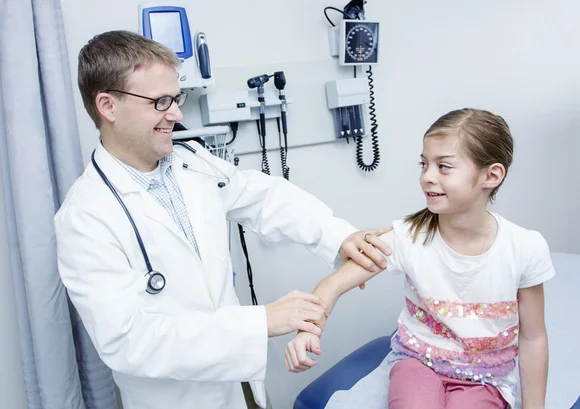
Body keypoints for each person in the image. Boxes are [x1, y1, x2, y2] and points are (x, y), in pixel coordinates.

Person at [54, 30, 391, 409]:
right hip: (179, 399)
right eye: (160, 101)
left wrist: (340, 237)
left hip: (239, 383)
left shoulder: (191, 163)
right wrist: (261, 322)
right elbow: (129, 340)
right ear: (108, 106)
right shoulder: (85, 218)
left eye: (176, 98)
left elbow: (265, 197)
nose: (177, 114)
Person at [286, 108, 554, 409]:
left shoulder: (524, 249)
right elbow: (332, 285)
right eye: (424, 164)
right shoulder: (408, 237)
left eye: (444, 167)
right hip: (417, 364)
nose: (427, 176)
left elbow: (533, 338)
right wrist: (307, 330)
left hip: (484, 377)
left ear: (491, 175)